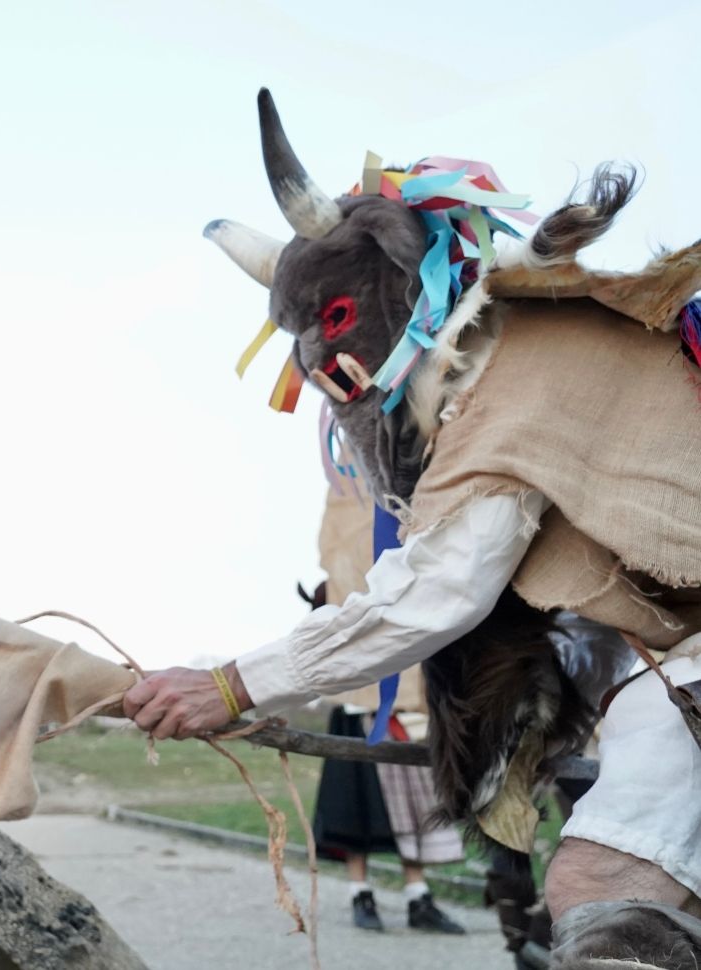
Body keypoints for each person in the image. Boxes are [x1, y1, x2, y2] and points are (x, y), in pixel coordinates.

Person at [125, 88, 701, 965]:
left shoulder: (510, 379)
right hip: (675, 679)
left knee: (602, 891)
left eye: (337, 326)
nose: (326, 369)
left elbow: (436, 591)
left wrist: (233, 685)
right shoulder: (525, 355)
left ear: (406, 283)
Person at [306, 486, 465, 934]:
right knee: (356, 807)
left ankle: (419, 897)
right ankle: (361, 893)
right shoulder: (342, 553)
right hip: (358, 707)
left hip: (407, 704)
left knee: (415, 806)